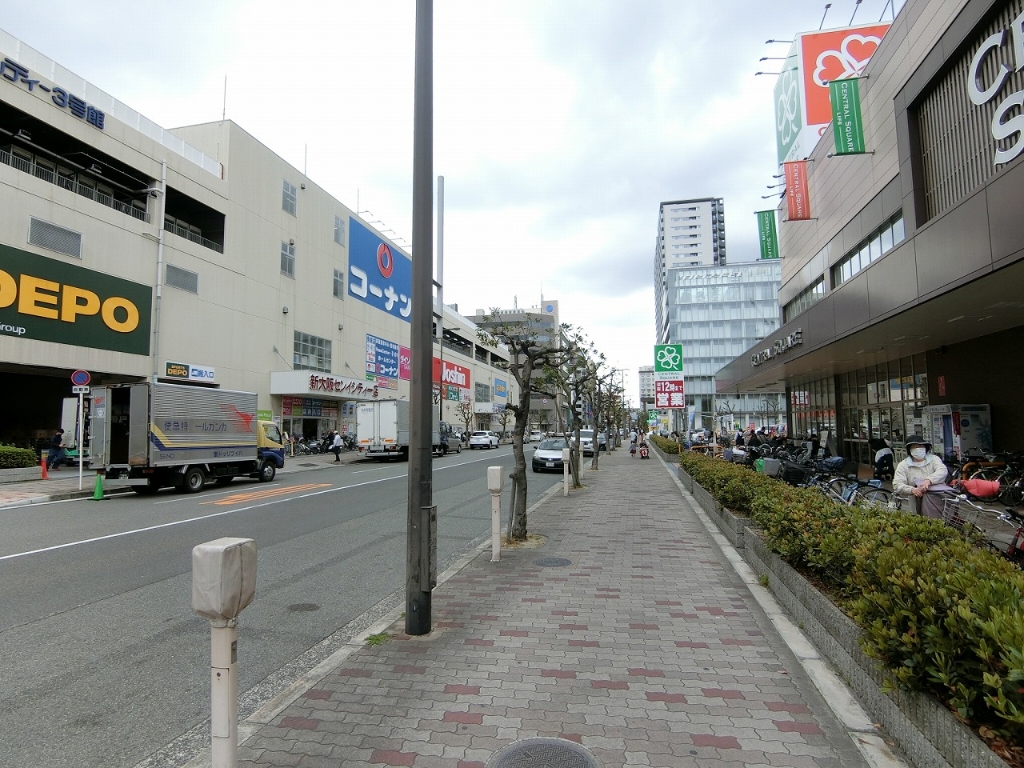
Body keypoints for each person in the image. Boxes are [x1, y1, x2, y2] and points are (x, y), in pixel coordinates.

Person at [892, 435, 949, 517]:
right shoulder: (903, 465)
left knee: (939, 522)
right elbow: (897, 485)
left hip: (938, 500)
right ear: (909, 450)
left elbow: (942, 470)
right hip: (916, 504)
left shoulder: (934, 459)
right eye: (915, 447)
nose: (918, 449)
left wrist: (929, 480)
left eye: (921, 446)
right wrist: (912, 490)